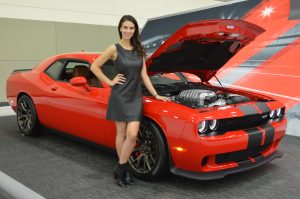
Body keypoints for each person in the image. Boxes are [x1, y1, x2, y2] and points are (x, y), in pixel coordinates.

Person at [90, 15, 170, 187]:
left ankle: (120, 167)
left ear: (135, 30)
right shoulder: (114, 48)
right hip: (119, 95)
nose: (128, 31)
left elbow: (144, 76)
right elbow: (94, 66)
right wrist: (110, 81)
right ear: (120, 28)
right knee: (121, 133)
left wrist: (155, 95)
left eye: (131, 28)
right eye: (125, 27)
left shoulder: (139, 50)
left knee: (132, 135)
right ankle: (124, 170)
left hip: (135, 97)